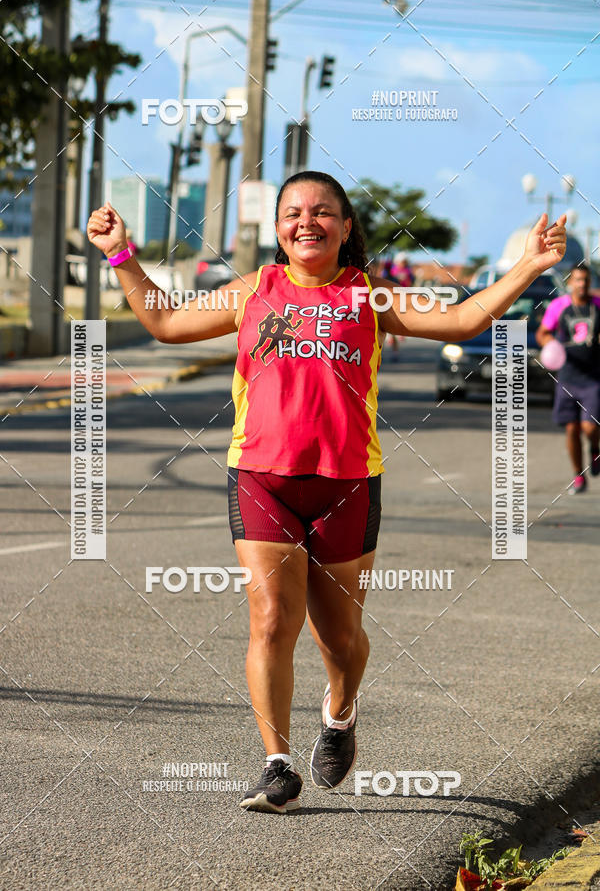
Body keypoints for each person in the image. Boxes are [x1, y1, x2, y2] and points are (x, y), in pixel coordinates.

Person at [87, 170, 566, 814]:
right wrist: (121, 255)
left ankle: (340, 713)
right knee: (270, 620)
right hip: (262, 479)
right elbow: (166, 323)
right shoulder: (254, 290)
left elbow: (461, 320)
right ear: (278, 228)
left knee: (338, 638)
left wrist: (530, 265)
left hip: (347, 486)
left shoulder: (369, 295)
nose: (306, 222)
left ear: (345, 226)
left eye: (321, 212)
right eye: (293, 213)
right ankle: (276, 766)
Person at [536, 264, 600, 494]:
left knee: (590, 427)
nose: (582, 284)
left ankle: (595, 449)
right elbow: (542, 333)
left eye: (586, 280)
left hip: (593, 378)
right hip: (568, 377)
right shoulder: (559, 306)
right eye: (578, 280)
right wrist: (550, 344)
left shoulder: (597, 305)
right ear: (571, 282)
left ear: (590, 282)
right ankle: (578, 476)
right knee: (572, 429)